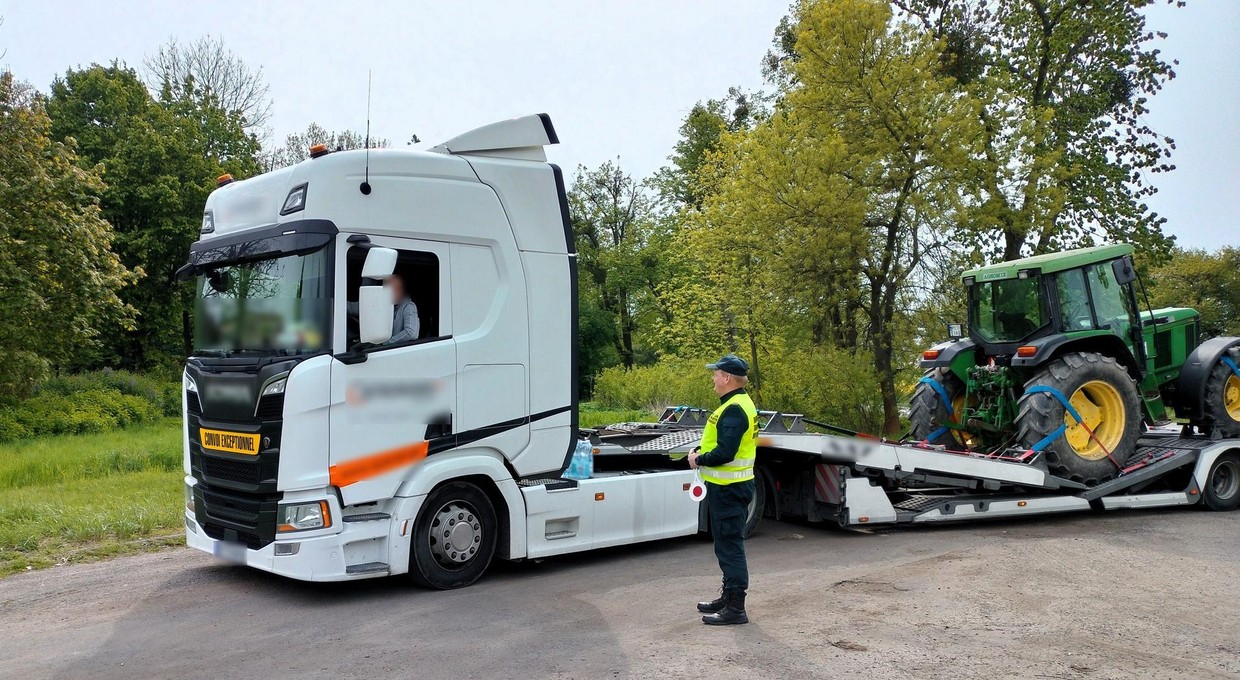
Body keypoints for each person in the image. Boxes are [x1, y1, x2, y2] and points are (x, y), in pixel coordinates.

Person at [688, 353, 759, 626]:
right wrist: (703, 451)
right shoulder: (737, 404)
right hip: (728, 487)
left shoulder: (735, 408)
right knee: (725, 546)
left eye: (716, 373)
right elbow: (726, 444)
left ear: (727, 377)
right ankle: (729, 597)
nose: (713, 378)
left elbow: (726, 452)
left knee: (730, 548)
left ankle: (736, 608)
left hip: (730, 489)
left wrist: (699, 459)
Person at [347, 274, 420, 345]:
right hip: (371, 347)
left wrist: (386, 343)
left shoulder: (408, 306)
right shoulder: (376, 303)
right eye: (387, 286)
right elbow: (348, 307)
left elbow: (411, 333)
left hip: (391, 349)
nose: (392, 291)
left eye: (397, 288)